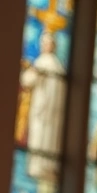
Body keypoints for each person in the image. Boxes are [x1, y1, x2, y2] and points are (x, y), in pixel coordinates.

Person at [20, 32, 67, 181]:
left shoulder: (43, 62)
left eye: (45, 43)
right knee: (50, 138)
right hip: (54, 113)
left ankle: (37, 167)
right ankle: (48, 166)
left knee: (40, 136)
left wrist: (26, 70)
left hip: (41, 110)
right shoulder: (59, 66)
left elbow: (27, 81)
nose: (42, 46)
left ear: (49, 46)